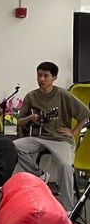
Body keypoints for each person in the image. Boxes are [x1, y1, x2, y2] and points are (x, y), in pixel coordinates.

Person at [14, 62, 90, 210]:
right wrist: (30, 118)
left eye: (46, 75)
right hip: (38, 137)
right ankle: (40, 174)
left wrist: (73, 132)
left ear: (54, 77)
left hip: (60, 139)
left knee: (65, 165)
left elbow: (85, 113)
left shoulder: (63, 94)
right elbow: (19, 121)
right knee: (13, 146)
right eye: (39, 75)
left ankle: (69, 208)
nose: (42, 79)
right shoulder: (31, 96)